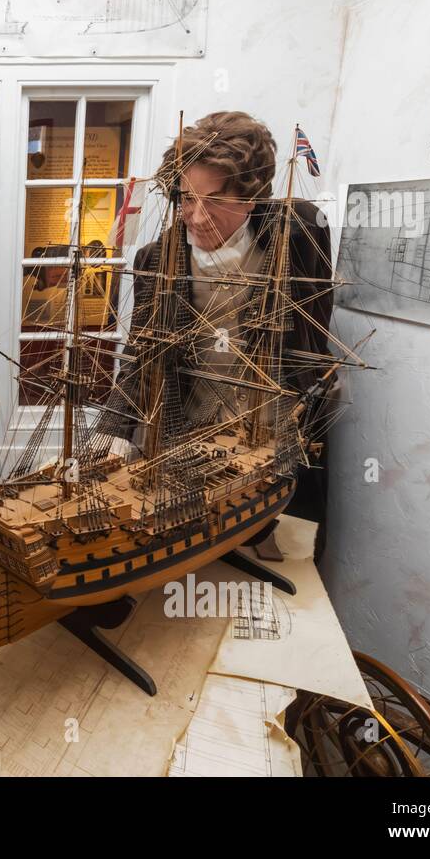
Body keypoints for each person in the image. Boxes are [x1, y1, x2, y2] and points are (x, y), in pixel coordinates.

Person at [106, 111, 334, 539]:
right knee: (180, 538)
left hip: (267, 433)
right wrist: (115, 433)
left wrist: (298, 409)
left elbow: (312, 335)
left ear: (251, 197)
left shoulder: (300, 233)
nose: (195, 216)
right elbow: (142, 350)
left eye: (213, 200)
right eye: (186, 199)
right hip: (181, 432)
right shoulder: (154, 259)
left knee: (256, 531)